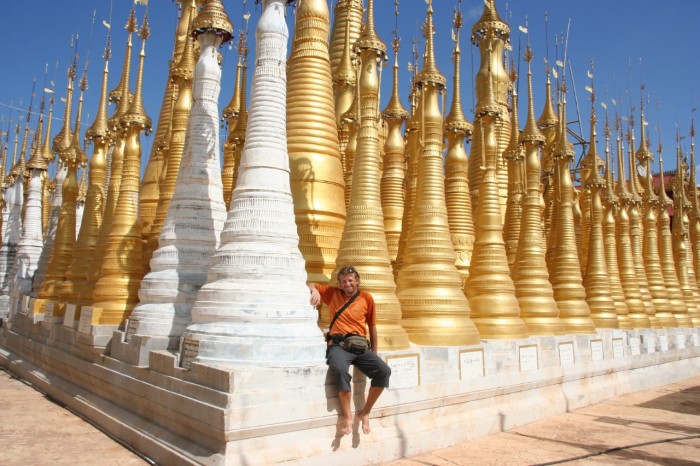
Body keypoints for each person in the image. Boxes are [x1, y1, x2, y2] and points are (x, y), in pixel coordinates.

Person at [308, 265, 391, 436]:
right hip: (338, 345)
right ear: (339, 283)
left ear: (357, 281)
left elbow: (372, 327)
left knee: (384, 371)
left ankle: (366, 411)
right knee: (339, 369)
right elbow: (308, 283)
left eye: (350, 280)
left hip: (360, 346)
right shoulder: (332, 294)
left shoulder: (367, 299)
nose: (347, 284)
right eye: (344, 281)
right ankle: (348, 416)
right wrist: (315, 290)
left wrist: (374, 353)